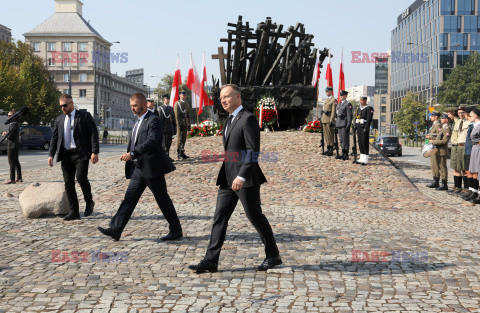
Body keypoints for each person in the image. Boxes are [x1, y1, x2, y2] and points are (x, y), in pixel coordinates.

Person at [189, 84, 281, 273]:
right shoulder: (229, 120)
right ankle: (211, 260)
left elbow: (253, 152)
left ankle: (273, 255)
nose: (223, 101)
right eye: (221, 98)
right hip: (227, 178)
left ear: (238, 96)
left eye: (227, 97)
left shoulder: (247, 119)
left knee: (255, 216)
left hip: (244, 179)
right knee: (219, 217)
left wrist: (241, 176)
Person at [98, 93, 182, 241]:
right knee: (129, 199)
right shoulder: (137, 121)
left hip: (152, 168)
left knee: (162, 199)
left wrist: (132, 153)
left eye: (135, 105)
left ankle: (176, 230)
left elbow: (152, 141)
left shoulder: (153, 120)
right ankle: (116, 229)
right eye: (131, 106)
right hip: (138, 168)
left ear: (143, 104)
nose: (132, 108)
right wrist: (132, 155)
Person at [48, 94, 99, 220]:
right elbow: (55, 138)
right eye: (61, 106)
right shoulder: (59, 119)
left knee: (81, 178)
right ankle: (74, 211)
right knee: (68, 183)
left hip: (81, 153)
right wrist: (51, 154)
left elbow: (93, 133)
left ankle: (89, 202)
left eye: (65, 105)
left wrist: (94, 151)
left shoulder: (84, 116)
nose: (62, 108)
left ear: (72, 103)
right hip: (66, 154)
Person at [448, 107, 469, 194]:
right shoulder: (459, 122)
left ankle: (466, 188)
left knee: (464, 168)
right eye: (459, 113)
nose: (461, 114)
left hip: (463, 145)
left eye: (462, 112)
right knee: (456, 167)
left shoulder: (468, 122)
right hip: (456, 146)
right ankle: (457, 187)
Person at [430, 113, 452, 191]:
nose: (441, 119)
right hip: (439, 150)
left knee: (442, 167)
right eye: (441, 118)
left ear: (447, 119)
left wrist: (434, 141)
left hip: (442, 150)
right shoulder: (443, 128)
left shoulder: (447, 128)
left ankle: (444, 184)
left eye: (443, 118)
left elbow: (445, 141)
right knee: (438, 167)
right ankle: (439, 182)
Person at [3, 110, 22, 184]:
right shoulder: (16, 123)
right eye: (8, 115)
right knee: (16, 161)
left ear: (14, 117)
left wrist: (5, 134)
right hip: (15, 145)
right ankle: (19, 177)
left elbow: (10, 136)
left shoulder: (12, 124)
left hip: (11, 145)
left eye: (10, 116)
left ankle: (12, 179)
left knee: (11, 162)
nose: (8, 117)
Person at [461, 107, 476, 200]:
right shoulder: (471, 125)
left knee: (474, 172)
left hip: (473, 150)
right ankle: (470, 190)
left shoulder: (475, 125)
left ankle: (475, 192)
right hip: (468, 150)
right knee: (468, 171)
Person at [354, 96, 374, 165]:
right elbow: (356, 118)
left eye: (363, 101)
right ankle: (361, 157)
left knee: (365, 142)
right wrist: (355, 126)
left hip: (364, 127)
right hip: (359, 126)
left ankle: (365, 158)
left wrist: (366, 127)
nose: (362, 102)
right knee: (360, 142)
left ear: (365, 101)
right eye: (361, 100)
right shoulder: (358, 109)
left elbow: (369, 119)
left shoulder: (369, 108)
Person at [425, 111, 443, 188]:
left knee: (435, 164)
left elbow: (439, 136)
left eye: (432, 116)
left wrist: (430, 137)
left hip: (435, 146)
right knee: (433, 164)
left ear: (436, 117)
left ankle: (436, 181)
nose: (431, 117)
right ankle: (435, 180)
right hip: (432, 146)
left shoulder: (438, 125)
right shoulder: (434, 125)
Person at [335, 90, 353, 160]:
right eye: (340, 95)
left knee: (345, 139)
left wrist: (348, 125)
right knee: (341, 139)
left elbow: (349, 115)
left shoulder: (348, 104)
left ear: (345, 96)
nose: (341, 97)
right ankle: (342, 151)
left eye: (342, 95)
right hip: (339, 123)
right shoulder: (339, 105)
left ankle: (346, 153)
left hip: (344, 124)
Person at [467, 108, 480, 204]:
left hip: (479, 148)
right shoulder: (474, 125)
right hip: (474, 148)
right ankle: (475, 192)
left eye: (471, 114)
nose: (470, 116)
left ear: (476, 115)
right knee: (474, 170)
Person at [320, 87, 337, 156]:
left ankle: (331, 148)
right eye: (326, 92)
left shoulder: (333, 100)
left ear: (331, 92)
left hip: (329, 119)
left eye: (328, 91)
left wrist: (332, 120)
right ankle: (328, 147)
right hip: (324, 119)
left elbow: (333, 111)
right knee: (326, 135)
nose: (326, 93)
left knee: (330, 135)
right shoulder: (326, 100)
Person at [159, 94, 176, 159]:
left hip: (170, 129)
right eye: (167, 99)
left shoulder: (171, 108)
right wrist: (161, 130)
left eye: (169, 99)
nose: (168, 100)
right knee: (164, 145)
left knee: (169, 144)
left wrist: (174, 129)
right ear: (164, 100)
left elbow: (173, 120)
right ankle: (164, 158)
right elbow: (160, 120)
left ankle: (167, 156)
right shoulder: (161, 108)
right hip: (164, 129)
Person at [174, 91, 190, 160]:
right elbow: (177, 115)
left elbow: (188, 115)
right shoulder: (177, 104)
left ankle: (182, 151)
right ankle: (178, 153)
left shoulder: (186, 103)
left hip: (185, 123)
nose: (184, 96)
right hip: (180, 123)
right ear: (179, 96)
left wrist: (189, 124)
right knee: (179, 139)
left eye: (185, 95)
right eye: (183, 95)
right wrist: (179, 124)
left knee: (184, 138)